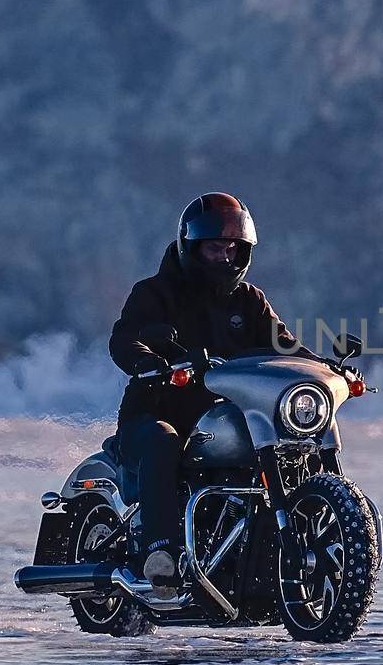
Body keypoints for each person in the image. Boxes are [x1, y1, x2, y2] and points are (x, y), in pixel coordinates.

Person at [108, 192, 311, 591]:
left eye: (233, 248)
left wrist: (323, 368)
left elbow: (284, 346)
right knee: (162, 440)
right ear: (191, 246)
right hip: (157, 413)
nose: (225, 256)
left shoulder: (250, 300)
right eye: (215, 247)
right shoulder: (155, 293)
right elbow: (125, 338)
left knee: (290, 448)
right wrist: (146, 361)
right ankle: (159, 551)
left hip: (226, 416)